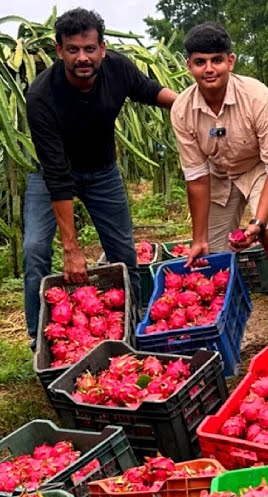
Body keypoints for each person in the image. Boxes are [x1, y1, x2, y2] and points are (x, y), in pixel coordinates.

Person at [22, 8, 178, 342]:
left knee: (123, 252)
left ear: (102, 49)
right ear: (59, 50)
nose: (83, 57)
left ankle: (134, 326)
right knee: (35, 248)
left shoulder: (117, 69)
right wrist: (71, 247)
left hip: (102, 171)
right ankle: (40, 337)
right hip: (51, 176)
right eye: (73, 49)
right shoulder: (41, 96)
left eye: (90, 49)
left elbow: (149, 91)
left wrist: (194, 104)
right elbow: (57, 175)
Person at [169, 21, 268, 347]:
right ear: (189, 65)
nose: (209, 69)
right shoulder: (182, 110)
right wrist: (198, 237)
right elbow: (197, 178)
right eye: (200, 62)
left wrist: (258, 222)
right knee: (212, 257)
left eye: (216, 60)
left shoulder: (256, 95)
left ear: (230, 61)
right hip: (217, 176)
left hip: (260, 169)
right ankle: (223, 337)